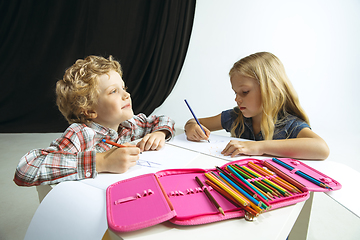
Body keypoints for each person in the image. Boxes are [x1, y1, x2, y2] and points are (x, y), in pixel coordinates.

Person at [14, 55, 175, 186]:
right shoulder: (81, 134)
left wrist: (160, 133)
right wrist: (102, 161)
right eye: (113, 91)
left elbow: (162, 120)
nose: (127, 95)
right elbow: (25, 169)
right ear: (89, 110)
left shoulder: (129, 125)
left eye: (123, 88)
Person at [184, 52, 329, 160]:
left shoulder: (289, 124)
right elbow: (195, 121)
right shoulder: (235, 117)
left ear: (271, 88)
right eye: (235, 93)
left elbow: (321, 148)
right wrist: (191, 127)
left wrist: (257, 147)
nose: (237, 99)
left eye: (245, 92)